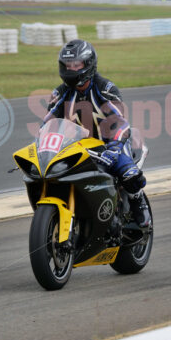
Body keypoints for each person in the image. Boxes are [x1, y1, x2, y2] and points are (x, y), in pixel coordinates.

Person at [43, 39, 151, 229]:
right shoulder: (61, 93)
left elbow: (119, 121)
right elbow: (49, 123)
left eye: (77, 65)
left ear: (89, 64)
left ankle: (137, 200)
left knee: (129, 173)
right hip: (78, 147)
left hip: (109, 145)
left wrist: (114, 148)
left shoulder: (105, 88)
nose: (72, 69)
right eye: (68, 65)